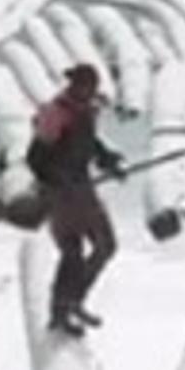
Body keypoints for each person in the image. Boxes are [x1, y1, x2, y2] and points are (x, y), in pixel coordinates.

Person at [26, 63, 124, 333]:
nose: (90, 92)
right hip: (60, 195)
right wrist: (58, 181)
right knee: (72, 252)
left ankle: (74, 301)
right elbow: (35, 158)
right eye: (85, 87)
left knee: (106, 246)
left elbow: (90, 145)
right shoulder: (55, 114)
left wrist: (109, 161)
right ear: (75, 86)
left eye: (92, 88)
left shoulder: (86, 112)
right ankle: (60, 312)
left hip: (83, 191)